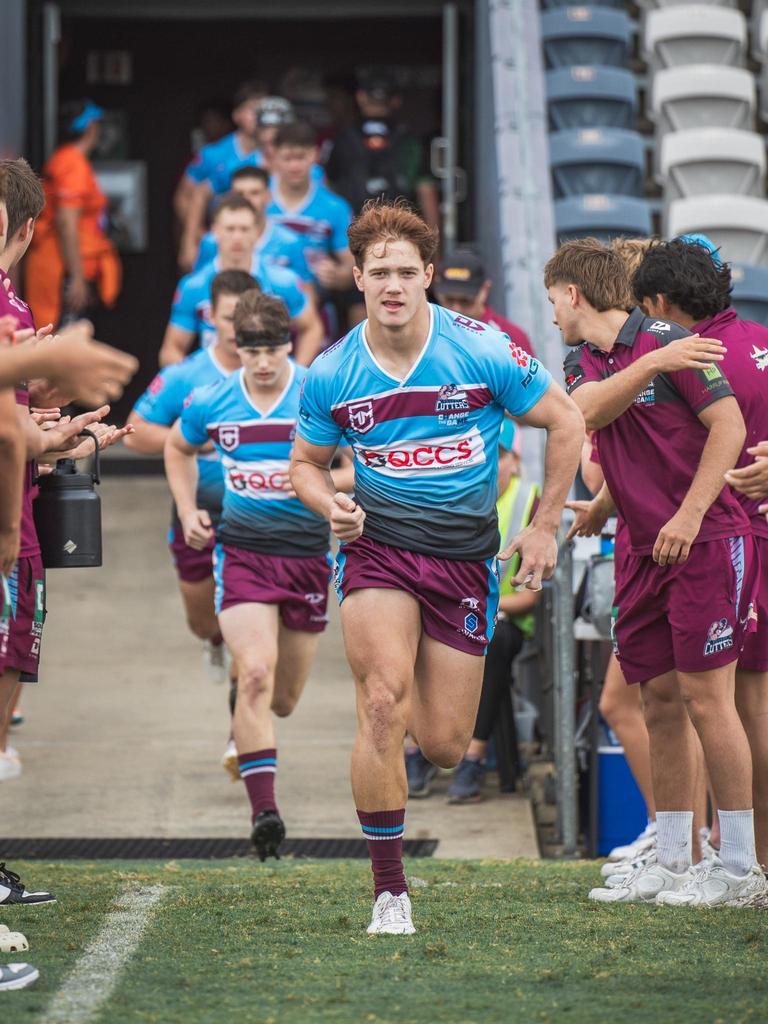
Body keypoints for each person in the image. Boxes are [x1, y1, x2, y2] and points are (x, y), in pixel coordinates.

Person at [290, 201, 584, 935]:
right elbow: (303, 465)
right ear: (356, 278)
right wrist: (332, 505)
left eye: (405, 271)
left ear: (428, 276)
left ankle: (406, 744)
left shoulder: (482, 349)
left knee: (447, 746)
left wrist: (546, 523)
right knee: (384, 702)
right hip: (377, 551)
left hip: (462, 560)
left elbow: (566, 420)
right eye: (377, 271)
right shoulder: (332, 372)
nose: (392, 284)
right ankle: (389, 891)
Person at [548, 238, 764, 907]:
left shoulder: (671, 335)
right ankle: (672, 862)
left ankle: (738, 869)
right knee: (657, 703)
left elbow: (726, 428)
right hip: (640, 548)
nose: (550, 311)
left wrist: (690, 515)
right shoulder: (582, 359)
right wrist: (609, 504)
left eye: (553, 297)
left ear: (574, 293)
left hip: (705, 541)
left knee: (711, 702)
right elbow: (588, 415)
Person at [165, 290, 352, 859]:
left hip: (305, 558)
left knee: (284, 698)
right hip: (241, 555)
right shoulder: (213, 399)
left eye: (273, 350)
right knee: (254, 675)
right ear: (234, 348)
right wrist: (187, 507)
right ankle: (264, 813)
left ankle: (250, 719)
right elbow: (177, 447)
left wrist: (320, 488)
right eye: (252, 353)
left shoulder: (315, 394)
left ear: (288, 345)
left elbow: (355, 462)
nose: (264, 363)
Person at [632, 238, 768, 876]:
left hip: (728, 542)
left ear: (659, 302)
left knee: (730, 707)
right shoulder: (759, 340)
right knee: (715, 704)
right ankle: (704, 853)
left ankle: (742, 863)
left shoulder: (693, 358)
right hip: (733, 541)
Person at [125, 270, 256, 692]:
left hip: (259, 517)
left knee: (250, 624)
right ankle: (214, 639)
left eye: (245, 316)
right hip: (197, 511)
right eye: (227, 316)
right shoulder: (186, 375)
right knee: (203, 621)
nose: (236, 327)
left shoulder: (276, 374)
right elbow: (136, 430)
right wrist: (190, 442)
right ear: (210, 318)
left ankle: (243, 731)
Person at [407, 420, 543, 803]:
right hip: (446, 611)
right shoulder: (451, 496)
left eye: (497, 456)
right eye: (481, 455)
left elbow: (529, 595)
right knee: (404, 633)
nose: (489, 464)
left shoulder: (528, 500)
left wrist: (485, 610)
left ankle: (473, 757)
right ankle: (415, 749)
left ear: (514, 461)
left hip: (505, 617)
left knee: (492, 641)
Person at [160, 193, 322, 367]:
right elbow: (172, 349)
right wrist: (197, 385)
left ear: (256, 232)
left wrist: (296, 380)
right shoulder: (193, 286)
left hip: (269, 379)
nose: (237, 237)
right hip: (215, 385)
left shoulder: (283, 281)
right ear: (214, 231)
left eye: (244, 229)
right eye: (230, 229)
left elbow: (312, 328)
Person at [25, 100, 121, 329]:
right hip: (63, 271)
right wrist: (77, 277)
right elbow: (66, 222)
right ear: (91, 128)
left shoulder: (68, 159)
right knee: (63, 342)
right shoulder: (72, 163)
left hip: (64, 266)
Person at [324, 69, 440, 229]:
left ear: (360, 97)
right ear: (396, 101)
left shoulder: (342, 137)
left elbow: (327, 188)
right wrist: (435, 247)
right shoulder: (409, 141)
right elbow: (426, 192)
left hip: (353, 233)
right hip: (399, 235)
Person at [178, 81, 268, 271]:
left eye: (264, 110)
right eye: (253, 110)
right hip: (225, 237)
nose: (260, 116)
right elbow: (185, 197)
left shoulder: (274, 154)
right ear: (237, 115)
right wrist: (196, 236)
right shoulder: (213, 154)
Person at [266, 122, 355, 312]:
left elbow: (352, 266)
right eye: (287, 158)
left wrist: (337, 275)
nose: (294, 165)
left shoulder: (335, 207)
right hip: (260, 298)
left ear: (314, 155)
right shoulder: (257, 198)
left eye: (301, 157)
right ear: (274, 156)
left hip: (315, 301)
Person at [193, 167, 310, 283]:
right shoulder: (211, 242)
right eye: (240, 193)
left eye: (254, 193)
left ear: (268, 196)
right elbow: (199, 283)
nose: (247, 199)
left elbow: (306, 291)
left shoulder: (290, 241)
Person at [433, 249, 536, 357]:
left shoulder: (511, 338)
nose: (456, 308)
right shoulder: (429, 331)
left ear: (485, 290)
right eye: (449, 299)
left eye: (466, 301)